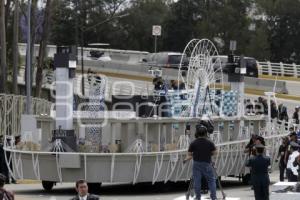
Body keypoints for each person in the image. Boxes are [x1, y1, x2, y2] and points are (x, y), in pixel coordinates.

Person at [183, 124, 217, 200]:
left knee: (197, 181)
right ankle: (213, 197)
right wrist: (209, 154)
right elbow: (215, 153)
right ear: (206, 133)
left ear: (197, 133)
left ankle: (198, 197)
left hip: (197, 164)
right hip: (207, 163)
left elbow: (190, 155)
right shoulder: (210, 143)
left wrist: (185, 160)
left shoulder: (193, 143)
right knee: (211, 181)